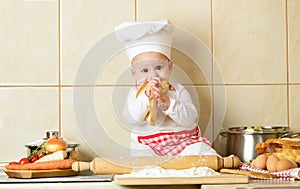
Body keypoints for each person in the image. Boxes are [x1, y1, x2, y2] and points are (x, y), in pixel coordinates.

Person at [115, 19, 218, 157]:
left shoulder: (177, 91)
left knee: (201, 150)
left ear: (169, 67)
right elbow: (130, 119)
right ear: (134, 74)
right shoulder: (135, 95)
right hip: (148, 145)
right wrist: (146, 98)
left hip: (182, 144)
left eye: (158, 67)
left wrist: (168, 104)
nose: (153, 75)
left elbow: (190, 118)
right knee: (141, 157)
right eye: (145, 70)